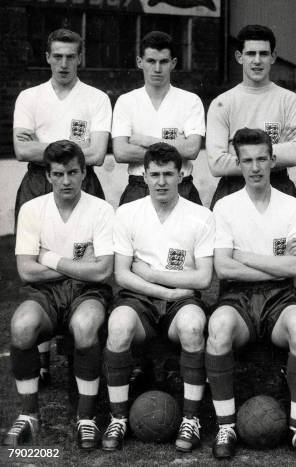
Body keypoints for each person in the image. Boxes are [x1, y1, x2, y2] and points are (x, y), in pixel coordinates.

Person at [205, 128, 296, 461]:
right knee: (219, 329)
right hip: (237, 298)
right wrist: (277, 263)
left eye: (261, 159)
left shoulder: (293, 206)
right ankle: (226, 425)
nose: (255, 167)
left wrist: (243, 256)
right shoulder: (225, 207)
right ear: (238, 164)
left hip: (281, 298)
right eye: (247, 160)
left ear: (273, 160)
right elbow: (224, 270)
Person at [102, 143, 214, 453]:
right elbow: (122, 275)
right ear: (144, 176)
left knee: (193, 326)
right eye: (155, 174)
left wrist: (154, 275)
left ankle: (191, 419)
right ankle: (118, 417)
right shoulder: (127, 213)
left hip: (181, 302)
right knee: (119, 325)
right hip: (140, 298)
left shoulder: (200, 215)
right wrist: (166, 290)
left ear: (181, 175)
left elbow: (204, 278)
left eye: (168, 174)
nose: (161, 181)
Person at [13, 28, 111, 379]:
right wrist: (69, 149)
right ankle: (40, 358)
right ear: (48, 58)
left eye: (71, 56)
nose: (65, 63)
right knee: (37, 255)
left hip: (83, 179)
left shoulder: (96, 98)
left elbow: (97, 154)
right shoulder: (29, 97)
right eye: (58, 56)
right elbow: (22, 149)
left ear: (80, 57)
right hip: (37, 180)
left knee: (86, 255)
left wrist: (46, 144)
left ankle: (77, 351)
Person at [3, 141, 114, 449]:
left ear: (84, 173)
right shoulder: (31, 209)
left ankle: (86, 418)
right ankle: (29, 415)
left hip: (87, 292)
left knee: (85, 326)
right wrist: (80, 265)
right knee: (22, 326)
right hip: (45, 294)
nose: (66, 180)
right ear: (48, 176)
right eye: (59, 173)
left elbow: (103, 271)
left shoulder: (101, 209)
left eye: (73, 172)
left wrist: (49, 258)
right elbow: (26, 271)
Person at [206, 25, 296, 209]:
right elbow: (217, 164)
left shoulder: (289, 100)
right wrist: (276, 149)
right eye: (251, 53)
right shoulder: (222, 103)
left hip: (278, 185)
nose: (257, 60)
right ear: (239, 57)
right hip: (233, 188)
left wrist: (235, 152)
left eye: (264, 54)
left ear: (273, 57)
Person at [112, 31, 205, 206]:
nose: (157, 68)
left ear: (173, 63)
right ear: (140, 62)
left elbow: (192, 150)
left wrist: (145, 140)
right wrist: (175, 147)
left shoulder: (190, 101)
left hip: (181, 186)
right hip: (139, 186)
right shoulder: (126, 101)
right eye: (151, 61)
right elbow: (121, 152)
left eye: (163, 62)